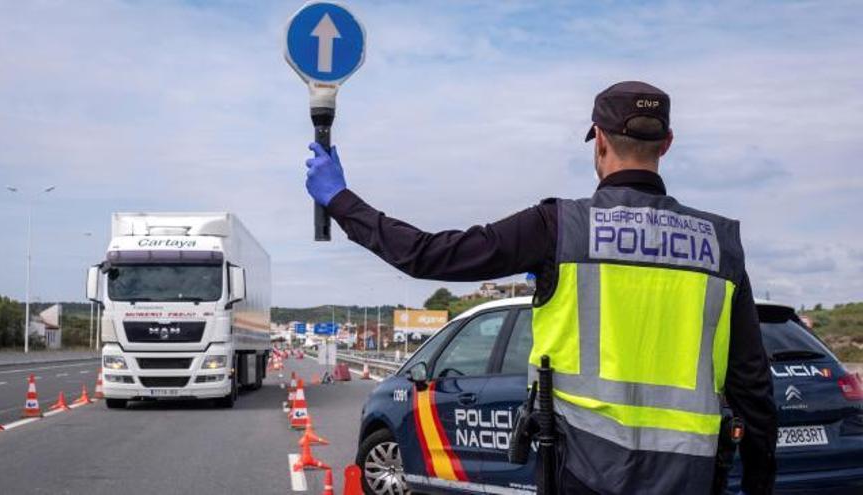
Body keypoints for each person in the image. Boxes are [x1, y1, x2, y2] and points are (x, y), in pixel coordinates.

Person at [303, 81, 777, 494]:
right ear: (666, 144)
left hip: (583, 473)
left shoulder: (558, 228)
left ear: (599, 142)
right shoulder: (718, 243)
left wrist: (342, 200)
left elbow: (430, 254)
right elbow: (753, 387)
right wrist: (759, 483)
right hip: (689, 477)